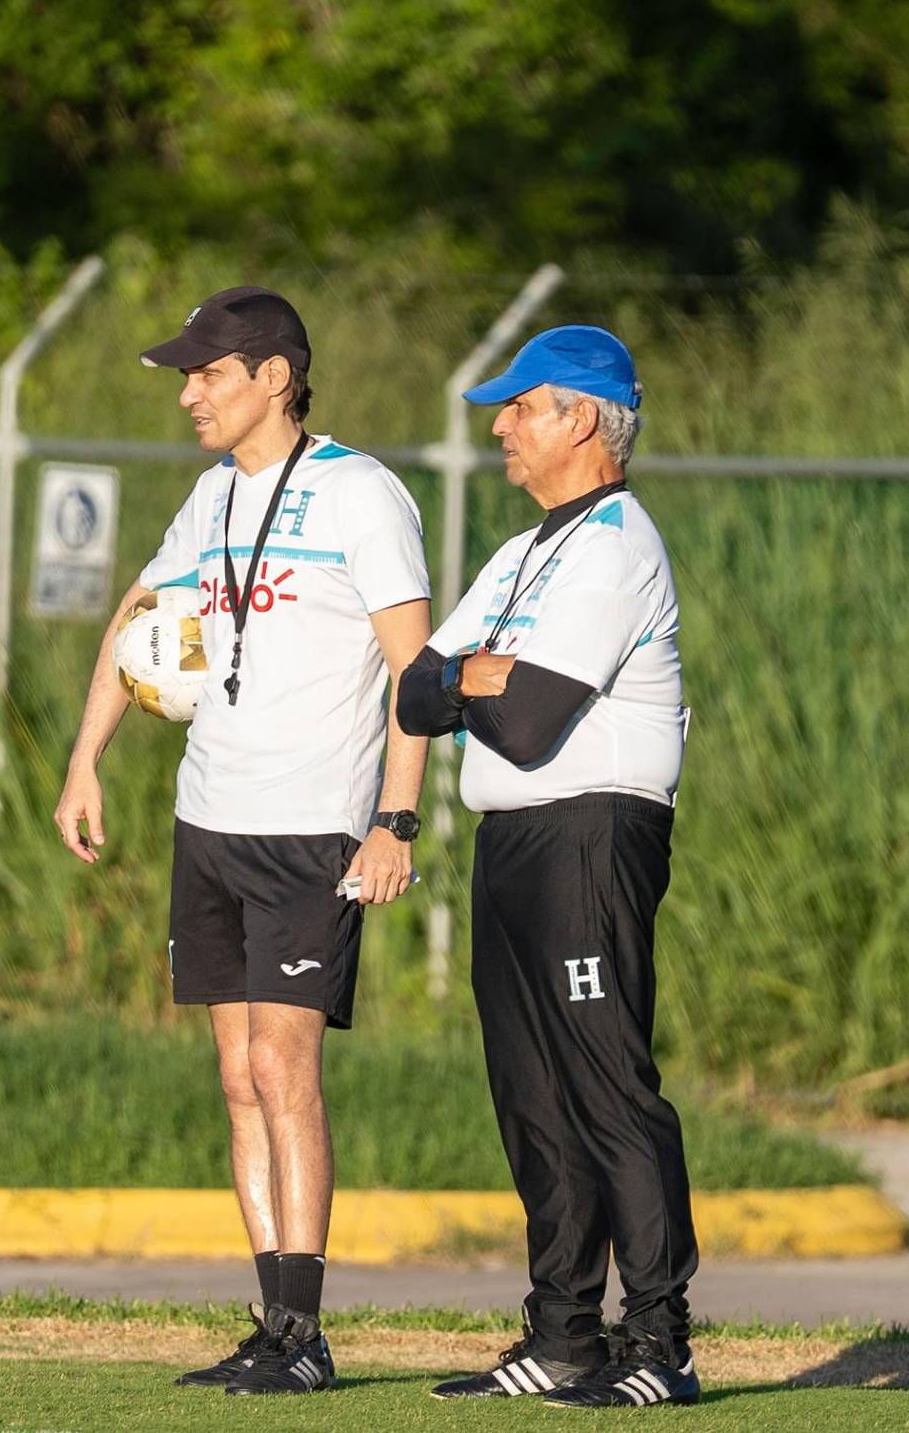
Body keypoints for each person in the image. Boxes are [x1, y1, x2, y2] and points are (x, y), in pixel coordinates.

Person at [54, 286, 431, 1396]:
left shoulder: (362, 494)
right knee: (234, 1076)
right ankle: (270, 1319)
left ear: (274, 376)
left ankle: (309, 1334)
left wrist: (394, 821)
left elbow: (417, 674)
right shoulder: (211, 493)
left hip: (314, 824)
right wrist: (86, 759)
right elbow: (136, 616)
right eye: (185, 375)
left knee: (283, 1063)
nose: (188, 394)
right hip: (207, 818)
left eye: (206, 374)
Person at [397, 325, 699, 1409]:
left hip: (589, 837)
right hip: (514, 843)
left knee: (606, 1083)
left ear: (581, 418)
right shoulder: (525, 553)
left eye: (521, 407)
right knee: (531, 1093)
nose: (501, 427)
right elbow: (416, 694)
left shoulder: (616, 543)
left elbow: (520, 724)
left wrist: (472, 678)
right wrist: (475, 674)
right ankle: (563, 1332)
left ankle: (658, 1341)